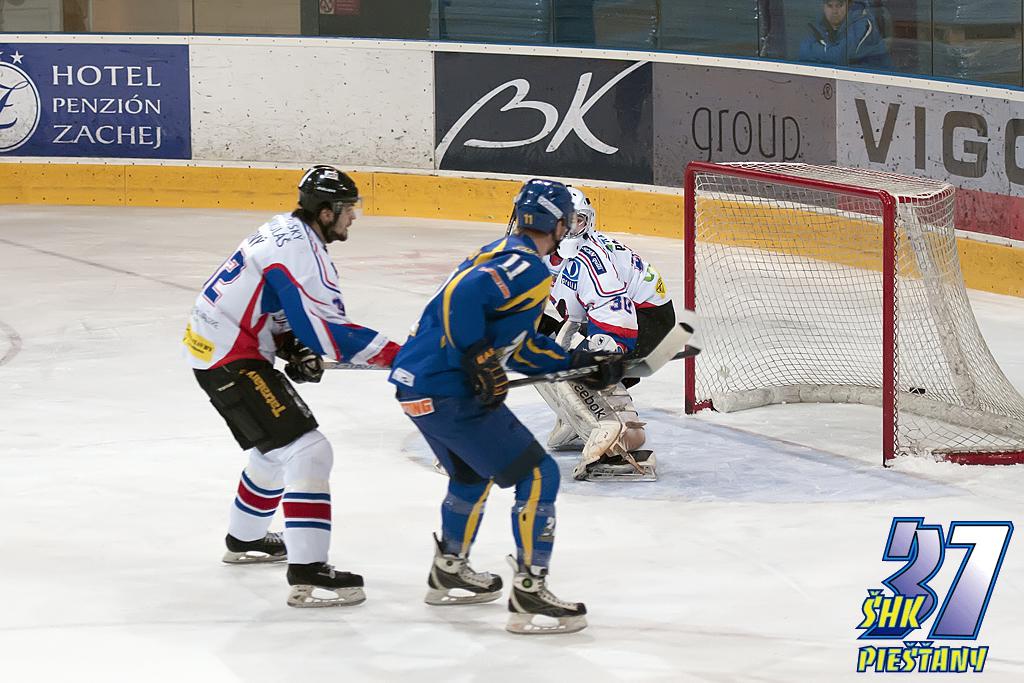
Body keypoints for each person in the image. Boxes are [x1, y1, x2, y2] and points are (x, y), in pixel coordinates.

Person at [388, 178, 625, 635]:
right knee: (541, 475)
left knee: (471, 475)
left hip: (415, 386)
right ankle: (530, 591)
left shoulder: (498, 251)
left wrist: (578, 363)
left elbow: (520, 347)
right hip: (448, 388)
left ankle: (449, 569)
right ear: (558, 224)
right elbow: (462, 298)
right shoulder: (527, 266)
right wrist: (478, 356)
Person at [183, 165, 400, 608]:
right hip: (231, 357)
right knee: (308, 451)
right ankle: (308, 572)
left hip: (215, 345)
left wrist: (289, 347)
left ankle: (245, 539)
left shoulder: (285, 229)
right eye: (347, 209)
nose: (353, 216)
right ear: (325, 212)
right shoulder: (302, 254)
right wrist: (405, 356)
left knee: (276, 448)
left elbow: (271, 303)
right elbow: (329, 334)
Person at [538, 186, 676, 481]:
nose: (570, 230)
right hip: (610, 313)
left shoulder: (589, 261)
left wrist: (600, 357)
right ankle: (578, 419)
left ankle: (620, 441)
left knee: (583, 364)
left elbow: (617, 322)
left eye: (577, 221)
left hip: (646, 320)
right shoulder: (543, 252)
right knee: (537, 344)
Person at [798, 0, 890, 69]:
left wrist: (817, 50)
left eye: (839, 5)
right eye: (830, 6)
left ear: (848, 5)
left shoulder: (864, 23)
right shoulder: (818, 24)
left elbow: (839, 57)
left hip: (878, 80)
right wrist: (829, 52)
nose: (835, 11)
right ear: (823, 7)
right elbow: (803, 53)